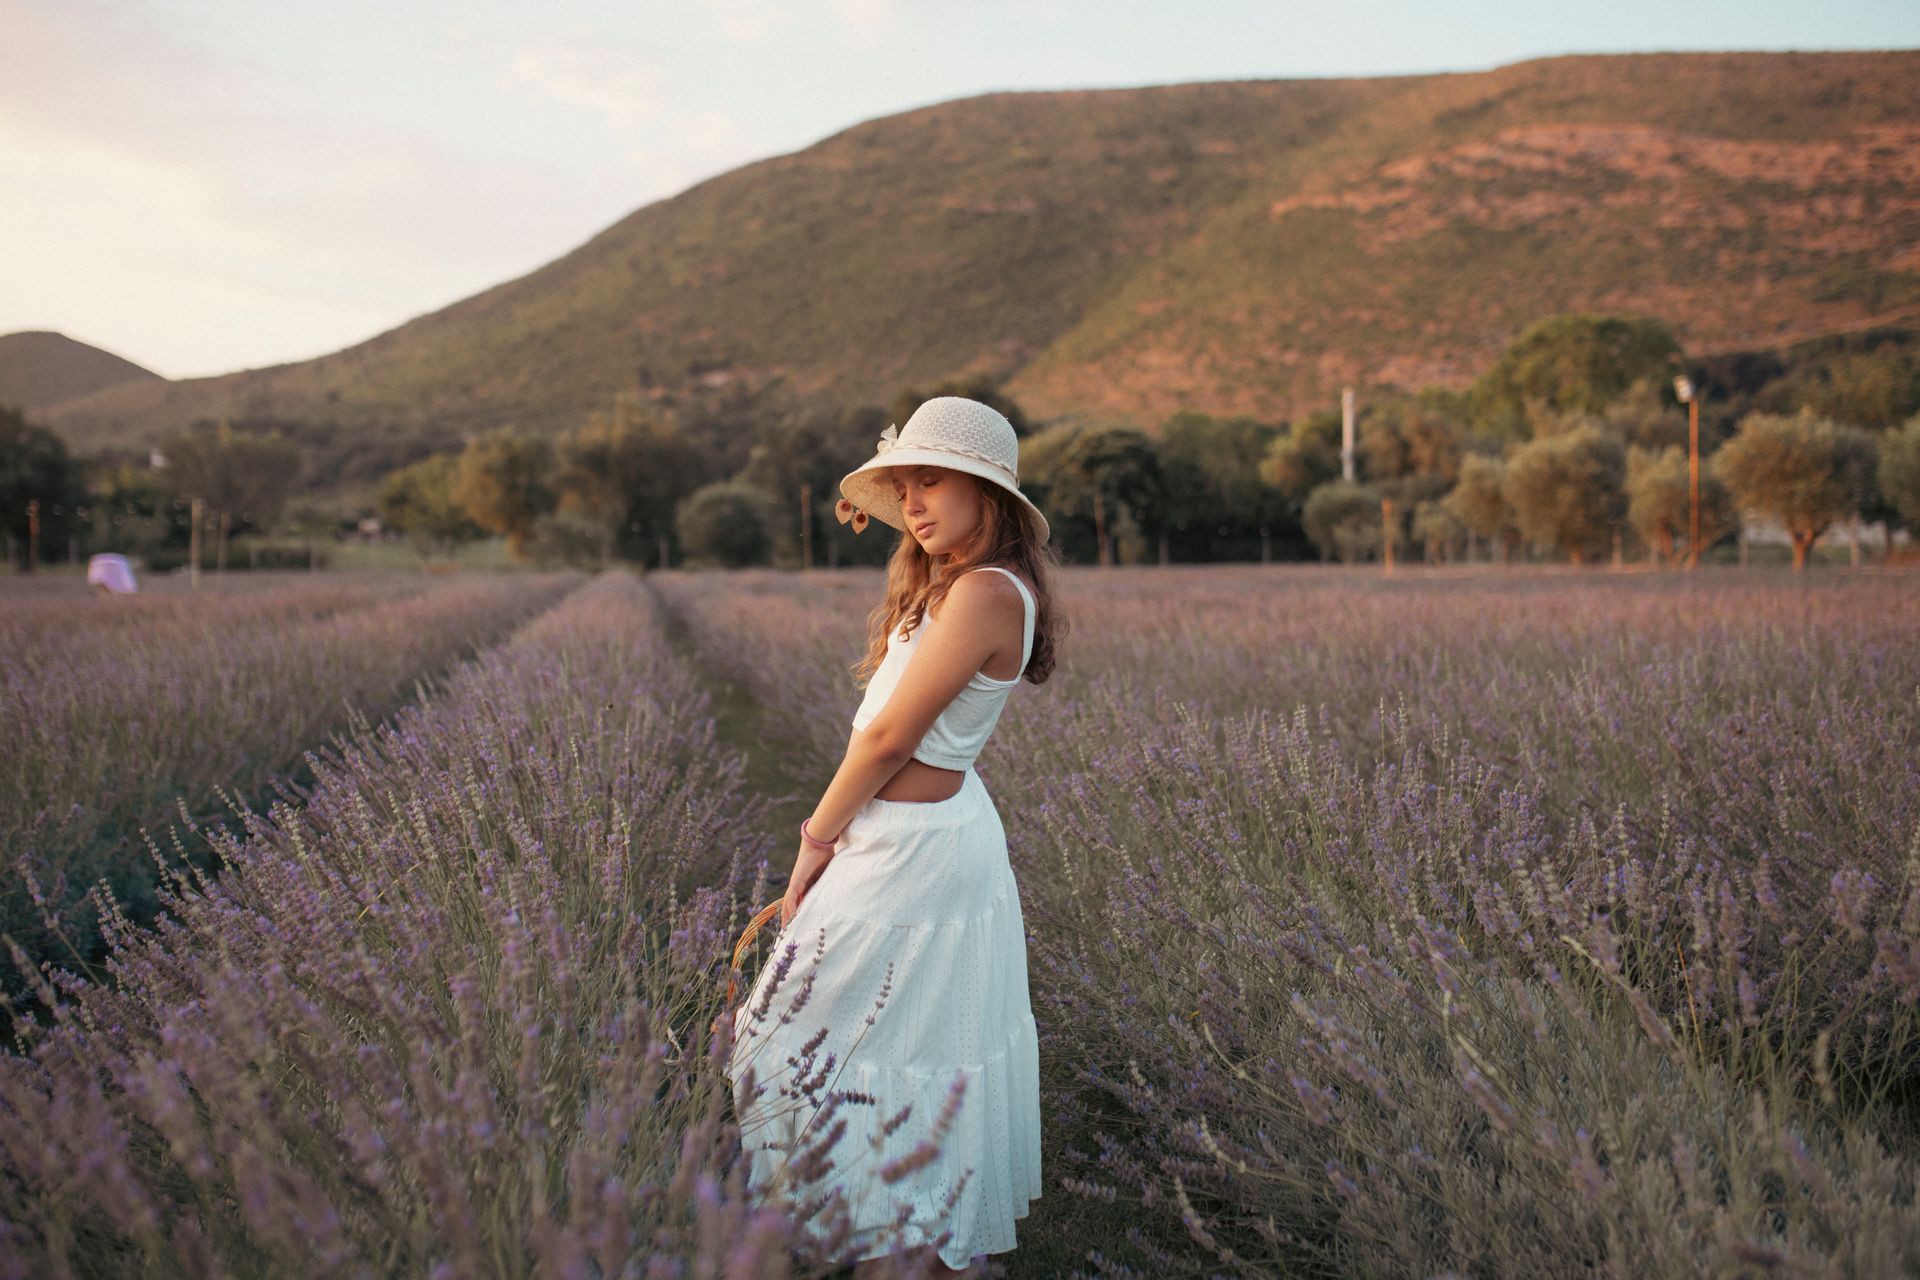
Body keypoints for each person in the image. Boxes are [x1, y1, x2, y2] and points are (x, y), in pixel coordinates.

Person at [728, 396, 1060, 1276]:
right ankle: (886, 1233)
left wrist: (815, 839)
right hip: (910, 836)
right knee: (866, 1035)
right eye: (904, 486)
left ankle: (902, 1240)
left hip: (914, 848)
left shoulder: (987, 592)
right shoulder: (952, 587)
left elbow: (885, 740)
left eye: (933, 482)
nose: (913, 503)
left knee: (816, 1029)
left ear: (987, 494)